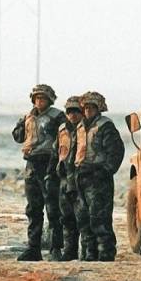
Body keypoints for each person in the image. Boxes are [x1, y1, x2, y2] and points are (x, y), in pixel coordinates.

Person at [12, 84, 66, 261]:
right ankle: (33, 248)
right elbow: (18, 137)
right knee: (33, 209)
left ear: (49, 100)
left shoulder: (57, 117)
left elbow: (67, 138)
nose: (39, 101)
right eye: (37, 98)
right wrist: (22, 124)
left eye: (43, 98)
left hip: (49, 163)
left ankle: (56, 248)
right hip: (32, 164)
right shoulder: (29, 117)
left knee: (53, 209)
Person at [69, 92, 125, 262]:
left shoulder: (105, 127)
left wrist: (105, 171)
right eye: (85, 108)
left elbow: (116, 152)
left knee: (99, 218)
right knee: (83, 218)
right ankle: (90, 253)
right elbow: (73, 153)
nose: (88, 111)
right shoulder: (79, 127)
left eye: (91, 108)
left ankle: (106, 253)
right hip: (81, 177)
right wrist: (71, 177)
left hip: (98, 179)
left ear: (98, 109)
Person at [48, 96, 83, 261]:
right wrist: (50, 173)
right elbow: (56, 152)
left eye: (76, 111)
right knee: (67, 218)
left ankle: (90, 253)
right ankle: (70, 251)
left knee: (84, 218)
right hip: (64, 179)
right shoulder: (62, 129)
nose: (73, 115)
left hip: (81, 179)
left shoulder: (86, 129)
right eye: (70, 112)